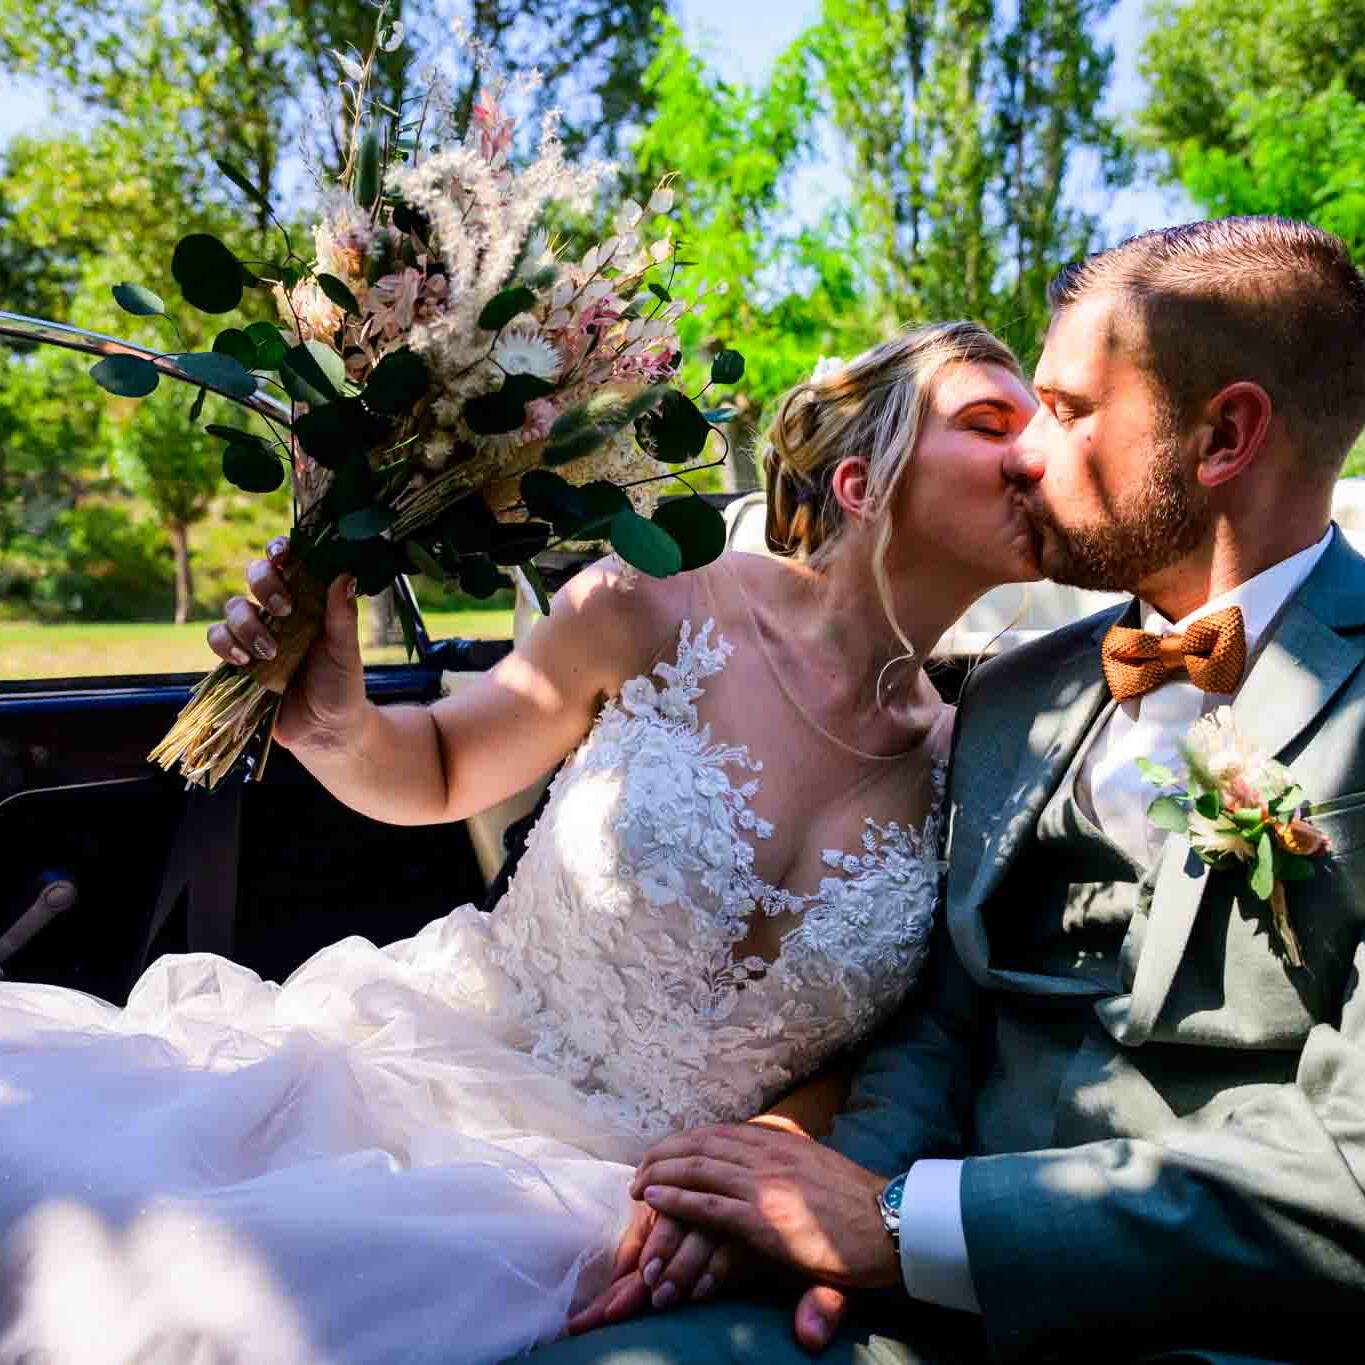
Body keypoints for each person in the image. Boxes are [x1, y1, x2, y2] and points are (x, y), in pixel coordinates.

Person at [0, 322, 1041, 1364]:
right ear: (861, 479)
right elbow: (447, 770)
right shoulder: (661, 602)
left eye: (1044, 425)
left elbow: (892, 1044)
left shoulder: (974, 759)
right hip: (430, 1078)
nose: (1036, 453)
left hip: (632, 1194)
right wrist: (336, 726)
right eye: (991, 422)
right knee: (164, 1270)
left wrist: (773, 1151)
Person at [542, 215, 1365, 1365]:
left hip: (1223, 1328)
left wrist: (900, 1228)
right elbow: (943, 1015)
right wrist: (814, 1190)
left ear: (1224, 435)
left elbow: (1351, 1169)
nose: (1027, 455)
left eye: (1070, 413)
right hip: (909, 1298)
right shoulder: (1015, 694)